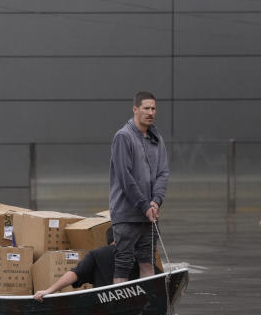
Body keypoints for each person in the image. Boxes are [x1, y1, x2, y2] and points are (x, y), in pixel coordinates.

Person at [109, 91, 169, 283]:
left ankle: (146, 306)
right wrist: (144, 206)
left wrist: (156, 201)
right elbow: (125, 178)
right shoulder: (123, 137)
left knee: (147, 262)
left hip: (150, 213)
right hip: (127, 214)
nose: (150, 112)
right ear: (135, 109)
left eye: (153, 108)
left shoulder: (156, 137)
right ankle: (119, 308)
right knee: (123, 263)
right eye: (146, 108)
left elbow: (163, 173)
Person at [33, 228, 116, 301]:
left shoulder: (97, 254)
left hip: (103, 305)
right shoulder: (127, 253)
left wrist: (48, 291)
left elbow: (75, 273)